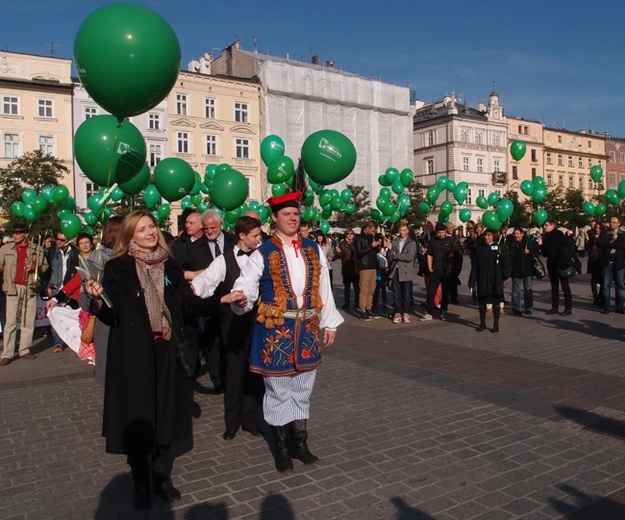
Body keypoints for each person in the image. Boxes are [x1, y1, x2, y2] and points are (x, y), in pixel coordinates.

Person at [84, 210, 210, 510]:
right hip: (131, 353)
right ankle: (141, 480)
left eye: (151, 226)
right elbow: (111, 315)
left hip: (165, 349)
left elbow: (188, 304)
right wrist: (98, 299)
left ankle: (162, 476)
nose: (150, 233)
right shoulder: (118, 267)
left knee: (166, 414)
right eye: (141, 230)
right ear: (130, 237)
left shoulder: (171, 265)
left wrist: (220, 302)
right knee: (138, 418)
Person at [231, 192, 343, 473]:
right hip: (275, 331)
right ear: (275, 219)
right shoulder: (262, 253)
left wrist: (329, 322)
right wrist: (241, 297)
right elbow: (246, 284)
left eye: (295, 214)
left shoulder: (312, 248)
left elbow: (323, 287)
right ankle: (281, 447)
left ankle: (300, 443)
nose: (293, 218)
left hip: (306, 329)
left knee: (303, 389)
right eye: (286, 214)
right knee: (279, 390)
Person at [190, 216, 265, 440]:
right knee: (234, 374)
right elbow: (206, 281)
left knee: (255, 373)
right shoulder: (223, 261)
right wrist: (194, 291)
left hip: (260, 324)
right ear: (242, 236)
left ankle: (250, 420)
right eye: (255, 236)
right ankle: (231, 423)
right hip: (233, 326)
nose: (259, 238)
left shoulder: (262, 256)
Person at [79, 216, 123, 386]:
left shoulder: (135, 256)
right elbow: (83, 300)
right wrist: (94, 295)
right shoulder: (96, 259)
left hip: (132, 325)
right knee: (113, 381)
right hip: (108, 324)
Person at [0, 222, 48, 365]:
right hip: (13, 287)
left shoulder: (36, 248)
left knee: (28, 319)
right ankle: (7, 353)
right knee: (11, 322)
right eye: (14, 233)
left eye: (18, 233)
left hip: (30, 286)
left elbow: (45, 267)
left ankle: (24, 350)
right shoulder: (5, 248)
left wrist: (35, 267)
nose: (15, 235)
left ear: (26, 234)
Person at [199, 209, 237, 392]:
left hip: (232, 301)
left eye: (212, 227)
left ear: (220, 225)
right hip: (209, 303)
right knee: (212, 343)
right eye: (205, 228)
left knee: (230, 340)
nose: (209, 231)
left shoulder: (234, 241)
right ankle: (218, 380)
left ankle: (232, 376)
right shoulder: (195, 247)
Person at [46, 231, 80, 352]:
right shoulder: (51, 251)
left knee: (68, 315)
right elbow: (48, 270)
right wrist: (48, 286)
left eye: (62, 240)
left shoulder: (76, 254)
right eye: (57, 239)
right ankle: (58, 343)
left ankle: (71, 340)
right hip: (55, 287)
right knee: (55, 313)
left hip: (68, 288)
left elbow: (76, 276)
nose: (59, 242)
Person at [420, 222, 459, 321]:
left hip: (446, 271)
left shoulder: (450, 241)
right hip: (435, 270)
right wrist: (430, 268)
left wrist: (452, 257)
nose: (440, 234)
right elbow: (429, 255)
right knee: (431, 292)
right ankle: (429, 312)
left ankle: (444, 311)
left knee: (445, 292)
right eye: (439, 232)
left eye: (442, 232)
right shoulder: (432, 241)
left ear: (445, 231)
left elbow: (456, 255)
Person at [475, 230, 509, 332]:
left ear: (493, 236)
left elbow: (506, 263)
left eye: (489, 235)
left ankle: (496, 324)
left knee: (496, 302)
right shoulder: (480, 248)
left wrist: (503, 274)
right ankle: (482, 323)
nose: (487, 237)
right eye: (485, 235)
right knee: (482, 302)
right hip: (483, 278)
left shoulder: (499, 247)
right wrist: (473, 279)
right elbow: (476, 264)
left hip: (495, 278)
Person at [538, 220, 574, 316]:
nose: (544, 227)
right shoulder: (545, 236)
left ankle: (568, 307)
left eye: (546, 225)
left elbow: (567, 245)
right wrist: (541, 245)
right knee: (554, 286)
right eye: (544, 225)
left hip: (561, 263)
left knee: (564, 285)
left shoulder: (559, 234)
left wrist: (562, 254)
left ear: (553, 225)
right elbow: (545, 253)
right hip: (551, 262)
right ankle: (555, 307)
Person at [387, 223, 417, 324]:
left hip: (407, 271)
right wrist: (390, 250)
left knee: (406, 294)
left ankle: (406, 313)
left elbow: (409, 257)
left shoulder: (411, 243)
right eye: (400, 230)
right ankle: (397, 313)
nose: (402, 232)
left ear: (407, 231)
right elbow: (390, 258)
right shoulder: (394, 241)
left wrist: (396, 255)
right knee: (396, 294)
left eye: (404, 230)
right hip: (395, 270)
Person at [597, 216, 625, 314]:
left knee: (620, 285)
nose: (612, 224)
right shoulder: (605, 233)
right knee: (605, 285)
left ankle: (620, 306)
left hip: (620, 264)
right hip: (607, 263)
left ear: (618, 223)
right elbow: (599, 243)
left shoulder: (622, 234)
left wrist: (610, 243)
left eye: (614, 222)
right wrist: (611, 241)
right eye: (611, 222)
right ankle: (606, 306)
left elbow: (622, 245)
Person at [355, 220, 381, 321]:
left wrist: (377, 245)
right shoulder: (359, 238)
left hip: (373, 266)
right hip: (364, 266)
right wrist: (371, 246)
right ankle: (362, 310)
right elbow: (360, 253)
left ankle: (369, 308)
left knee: (371, 289)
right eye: (372, 231)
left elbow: (376, 251)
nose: (373, 233)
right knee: (364, 289)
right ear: (368, 228)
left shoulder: (372, 237)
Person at [509, 227, 535, 316]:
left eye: (517, 234)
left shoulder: (528, 242)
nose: (516, 236)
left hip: (528, 269)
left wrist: (529, 251)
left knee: (528, 289)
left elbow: (535, 251)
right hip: (516, 269)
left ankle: (528, 308)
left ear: (522, 234)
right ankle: (516, 308)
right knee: (516, 290)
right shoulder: (512, 242)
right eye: (515, 234)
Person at [336, 229, 359, 310]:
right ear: (346, 235)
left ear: (353, 235)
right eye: (348, 234)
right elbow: (339, 255)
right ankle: (347, 303)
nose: (350, 235)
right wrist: (338, 252)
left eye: (351, 234)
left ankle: (357, 302)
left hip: (355, 267)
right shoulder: (342, 244)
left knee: (356, 287)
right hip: (346, 267)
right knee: (347, 287)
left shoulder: (356, 243)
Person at [465, 222, 485, 302]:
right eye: (477, 230)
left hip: (483, 259)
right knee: (475, 276)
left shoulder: (484, 237)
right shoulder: (472, 238)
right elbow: (468, 245)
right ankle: (474, 291)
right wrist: (473, 246)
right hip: (475, 259)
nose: (478, 232)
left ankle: (480, 292)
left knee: (481, 276)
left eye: (480, 230)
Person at [445, 222, 463, 304]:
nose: (451, 229)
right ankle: (445, 297)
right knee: (445, 281)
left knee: (453, 281)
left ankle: (454, 298)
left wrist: (457, 258)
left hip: (454, 263)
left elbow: (459, 251)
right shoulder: (443, 238)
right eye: (450, 227)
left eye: (452, 227)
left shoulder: (456, 238)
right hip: (445, 263)